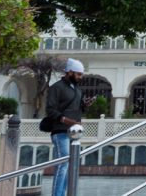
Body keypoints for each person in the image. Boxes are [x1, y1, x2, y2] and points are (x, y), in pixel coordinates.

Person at [46, 58, 85, 196]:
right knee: (63, 164)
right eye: (78, 74)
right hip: (60, 131)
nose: (80, 77)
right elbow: (50, 110)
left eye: (81, 74)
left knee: (69, 165)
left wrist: (85, 105)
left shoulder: (77, 90)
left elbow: (76, 109)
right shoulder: (57, 87)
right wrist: (66, 120)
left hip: (73, 133)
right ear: (69, 72)